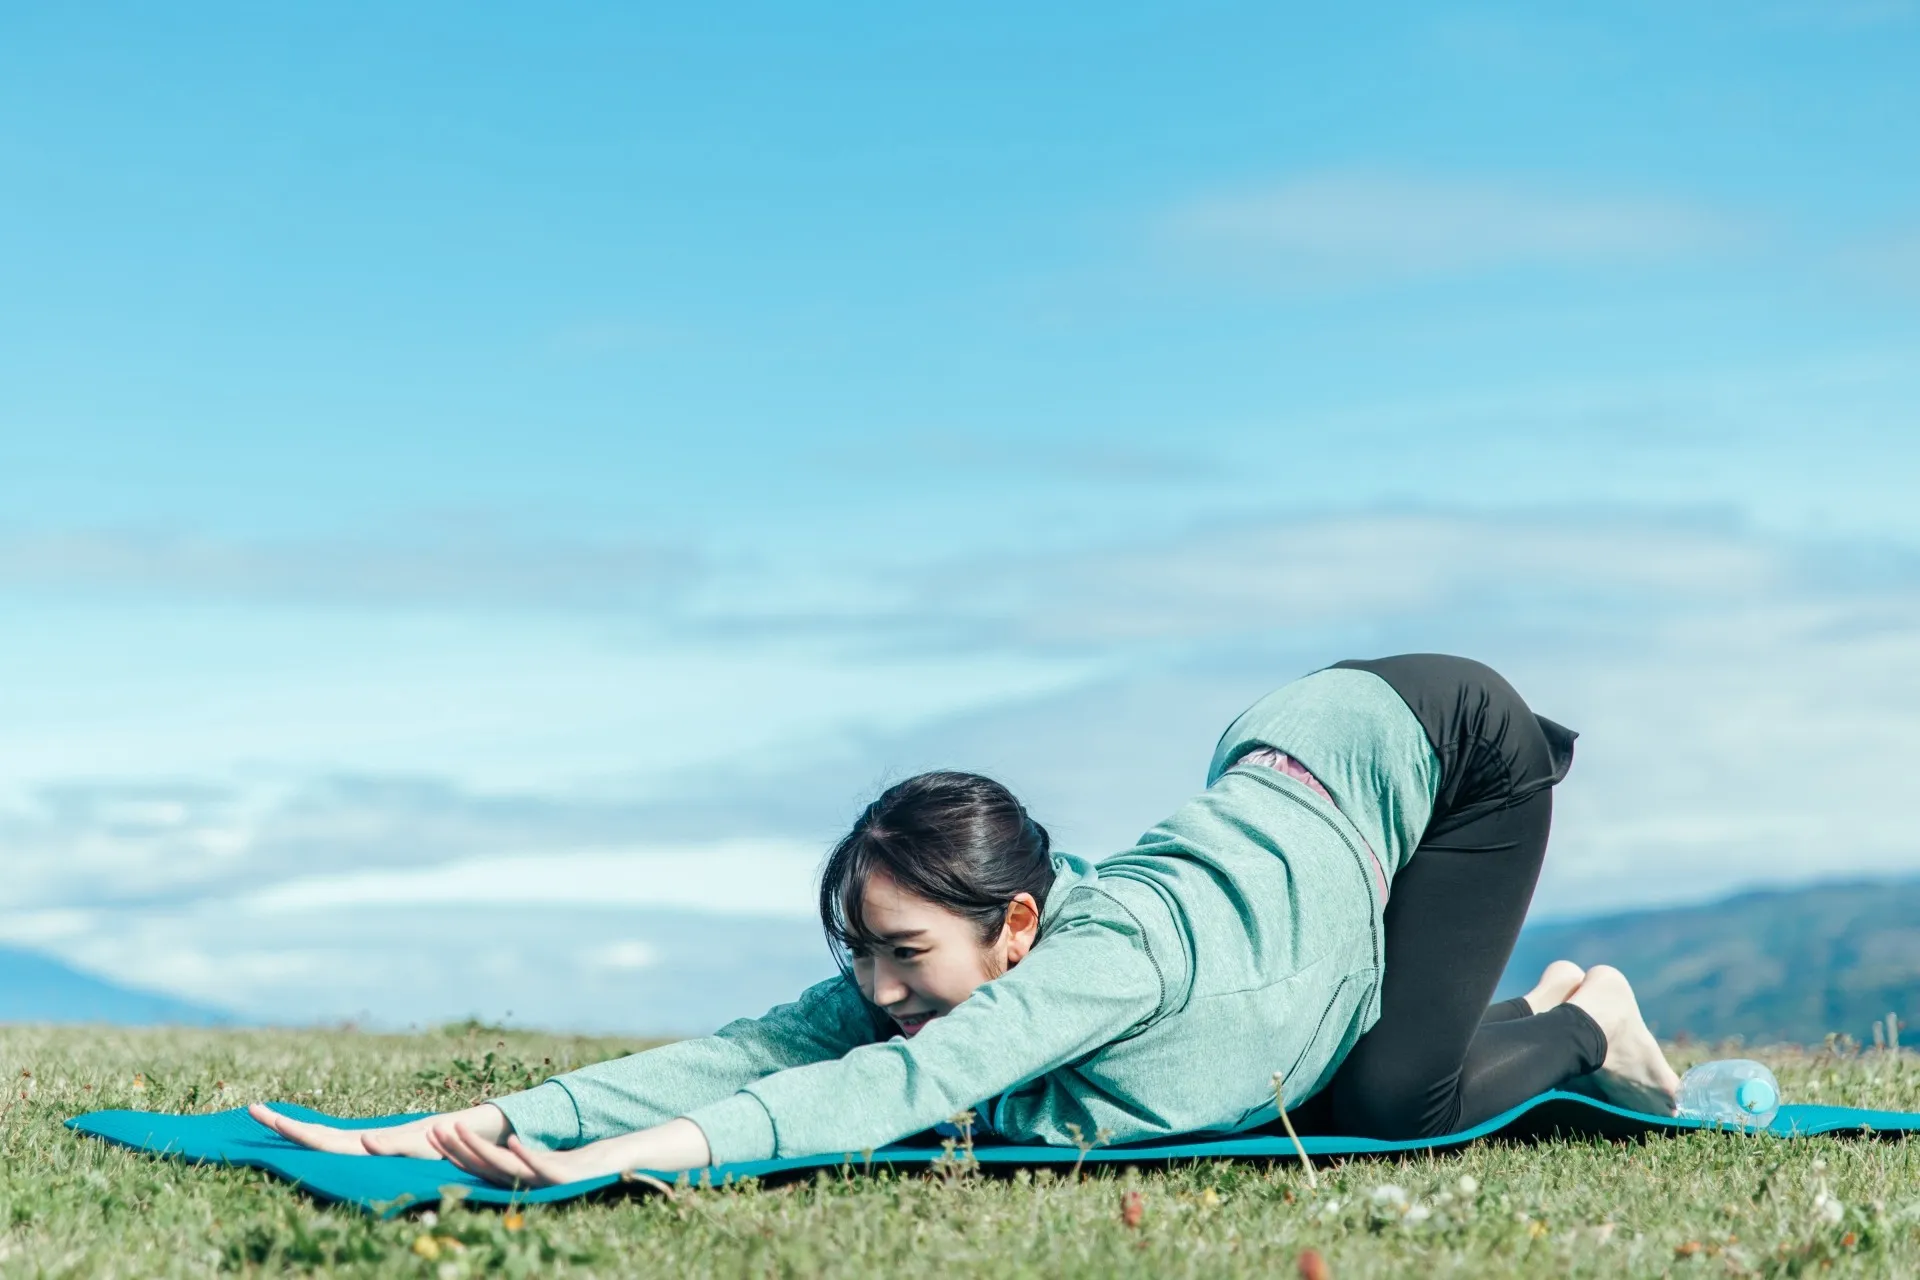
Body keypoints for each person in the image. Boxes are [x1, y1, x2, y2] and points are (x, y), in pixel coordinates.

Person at [252, 654, 1680, 1187]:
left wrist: (612, 1170)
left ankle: (1577, 1015)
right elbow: (742, 1054)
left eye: (904, 953)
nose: (878, 991)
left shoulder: (1088, 967)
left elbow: (905, 1088)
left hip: (1446, 752)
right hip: (1286, 750)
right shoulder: (937, 969)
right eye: (861, 953)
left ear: (1015, 928)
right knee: (1369, 1067)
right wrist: (446, 1126)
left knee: (1395, 1097)